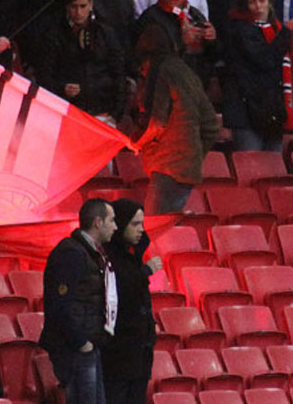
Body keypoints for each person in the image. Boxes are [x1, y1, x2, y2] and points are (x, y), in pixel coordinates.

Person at [133, 25, 219, 214]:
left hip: (167, 165)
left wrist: (135, 144)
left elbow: (157, 122)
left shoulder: (161, 71)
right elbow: (211, 125)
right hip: (185, 167)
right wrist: (194, 153)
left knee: (155, 226)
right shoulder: (186, 72)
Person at [40, 198, 118, 404]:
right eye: (112, 220)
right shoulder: (71, 253)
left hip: (87, 346)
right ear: (98, 222)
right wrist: (82, 342)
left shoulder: (92, 254)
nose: (116, 227)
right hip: (75, 349)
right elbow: (60, 303)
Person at [102, 199, 162, 404]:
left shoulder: (131, 255)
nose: (141, 230)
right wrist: (145, 272)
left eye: (142, 224)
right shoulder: (107, 258)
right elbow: (120, 289)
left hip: (139, 354)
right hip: (118, 354)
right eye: (135, 224)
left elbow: (142, 240)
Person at [39, 0, 126, 125]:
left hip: (103, 109)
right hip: (69, 111)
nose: (78, 12)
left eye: (82, 6)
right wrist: (62, 88)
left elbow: (119, 73)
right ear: (67, 7)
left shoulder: (105, 33)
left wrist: (116, 113)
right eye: (74, 7)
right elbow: (44, 75)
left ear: (90, 5)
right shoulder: (54, 34)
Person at [223, 0, 291, 152]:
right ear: (245, 6)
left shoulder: (274, 29)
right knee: (253, 166)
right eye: (252, 2)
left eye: (262, 0)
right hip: (247, 114)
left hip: (271, 110)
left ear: (269, 2)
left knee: (275, 171)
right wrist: (286, 33)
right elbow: (264, 60)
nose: (258, 6)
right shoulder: (239, 31)